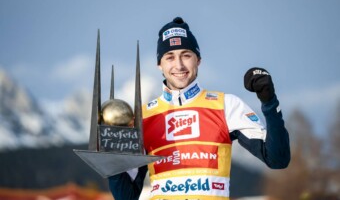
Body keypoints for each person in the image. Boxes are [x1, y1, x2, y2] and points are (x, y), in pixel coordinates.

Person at [108, 17, 290, 200]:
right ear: (159, 65)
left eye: (186, 55)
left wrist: (269, 102)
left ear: (198, 60)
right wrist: (111, 157)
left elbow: (278, 159)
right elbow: (126, 197)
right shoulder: (143, 117)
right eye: (170, 57)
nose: (179, 65)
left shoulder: (226, 105)